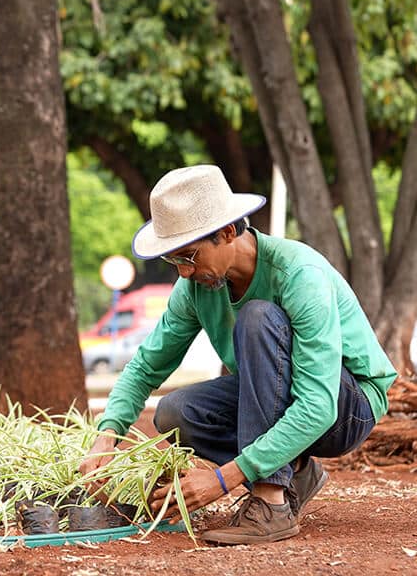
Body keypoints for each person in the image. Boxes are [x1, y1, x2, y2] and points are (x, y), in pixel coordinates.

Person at [78, 164, 396, 545]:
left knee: (257, 317)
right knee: (176, 414)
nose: (182, 273)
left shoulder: (299, 274)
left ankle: (270, 502)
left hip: (346, 407)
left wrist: (223, 479)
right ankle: (293, 470)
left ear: (228, 232)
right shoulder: (196, 288)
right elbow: (147, 365)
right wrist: (107, 433)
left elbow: (319, 406)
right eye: (172, 261)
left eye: (189, 257)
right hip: (281, 401)